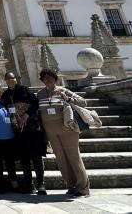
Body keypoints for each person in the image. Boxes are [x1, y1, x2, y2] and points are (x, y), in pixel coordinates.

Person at [37, 68, 90, 197]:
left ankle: (83, 188)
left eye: (50, 77)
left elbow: (83, 102)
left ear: (55, 78)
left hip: (68, 129)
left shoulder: (63, 90)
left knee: (74, 157)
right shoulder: (40, 94)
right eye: (45, 77)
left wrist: (69, 99)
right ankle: (71, 186)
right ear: (42, 80)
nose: (48, 79)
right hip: (51, 132)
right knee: (61, 159)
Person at [3, 71, 46, 195]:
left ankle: (41, 184)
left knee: (36, 157)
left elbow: (35, 103)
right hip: (18, 131)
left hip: (31, 128)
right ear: (5, 81)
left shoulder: (24, 90)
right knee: (24, 159)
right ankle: (29, 185)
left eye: (12, 78)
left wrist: (26, 115)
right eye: (8, 79)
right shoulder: (5, 95)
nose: (10, 80)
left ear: (16, 79)